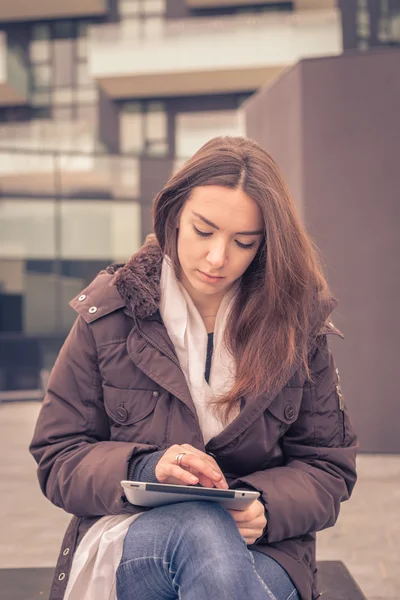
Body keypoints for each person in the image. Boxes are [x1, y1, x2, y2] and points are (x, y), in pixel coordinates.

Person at [30, 136, 358, 600]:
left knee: (215, 548)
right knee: (200, 527)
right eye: (204, 231)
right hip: (133, 539)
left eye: (243, 242)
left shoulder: (297, 328)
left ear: (265, 246)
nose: (218, 258)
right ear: (173, 217)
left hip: (265, 551)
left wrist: (263, 506)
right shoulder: (109, 316)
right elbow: (58, 454)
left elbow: (328, 466)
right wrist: (146, 466)